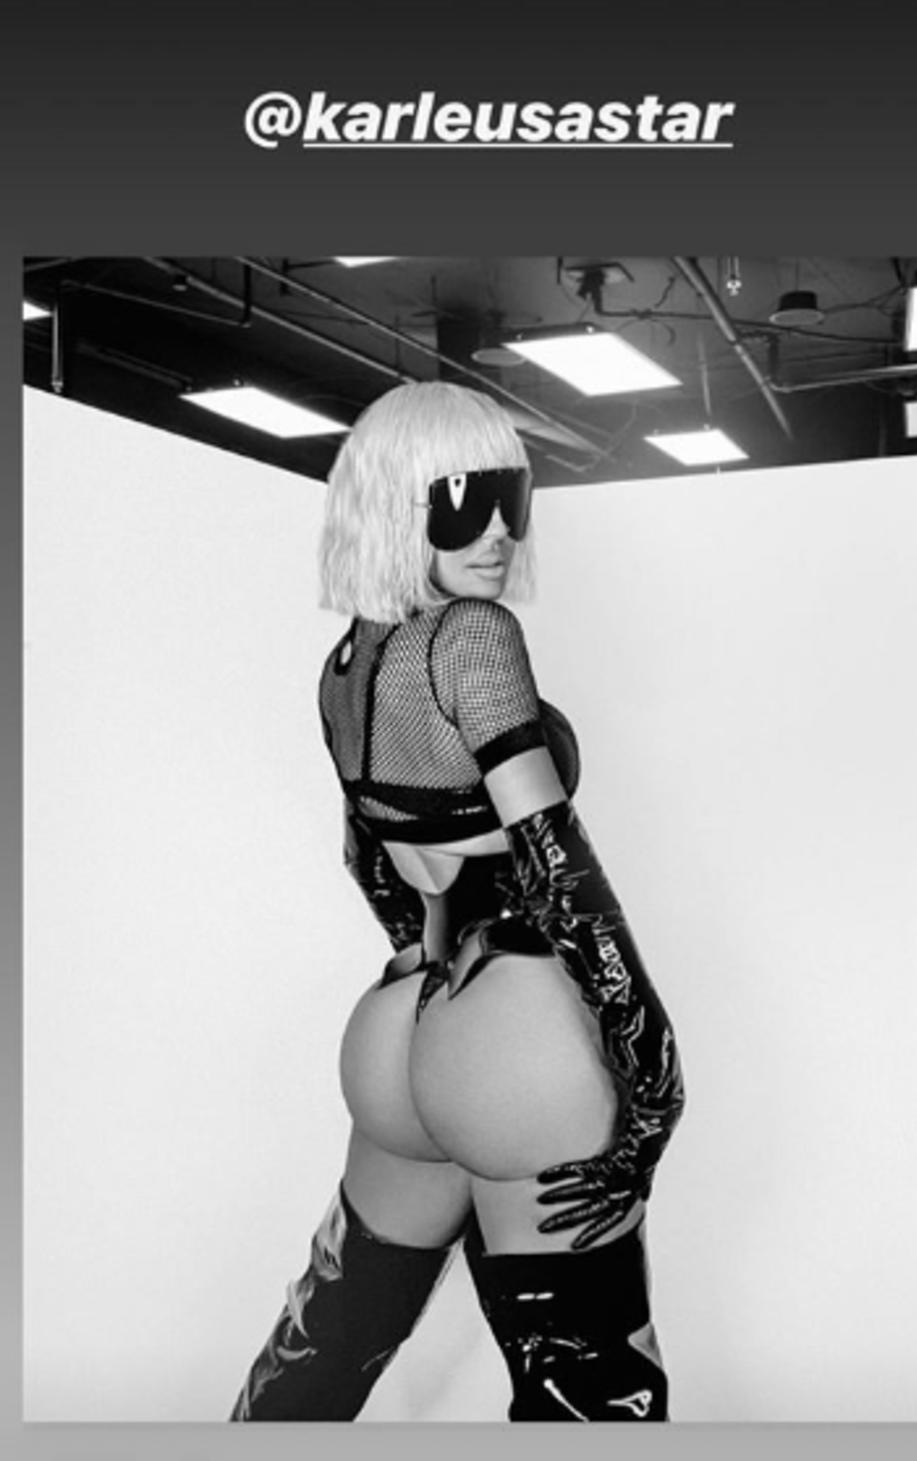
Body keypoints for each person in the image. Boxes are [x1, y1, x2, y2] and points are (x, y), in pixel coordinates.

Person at [230, 381, 685, 1423]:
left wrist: (430, 979)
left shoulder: (346, 665)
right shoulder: (470, 636)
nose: (496, 533)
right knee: (591, 1390)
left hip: (401, 1029)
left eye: (509, 500)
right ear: (395, 504)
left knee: (322, 1346)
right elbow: (558, 863)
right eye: (460, 501)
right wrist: (654, 1085)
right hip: (514, 1032)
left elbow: (373, 853)